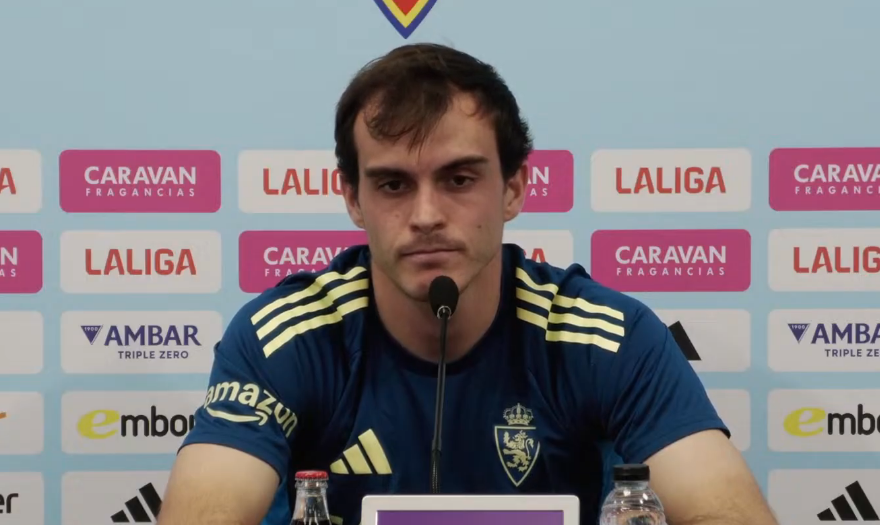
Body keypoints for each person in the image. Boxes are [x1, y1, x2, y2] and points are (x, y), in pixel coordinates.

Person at [157, 43, 779, 525]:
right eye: (393, 184)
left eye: (458, 179)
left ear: (513, 188)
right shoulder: (284, 336)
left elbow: (726, 512)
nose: (426, 215)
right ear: (352, 199)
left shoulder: (606, 335)